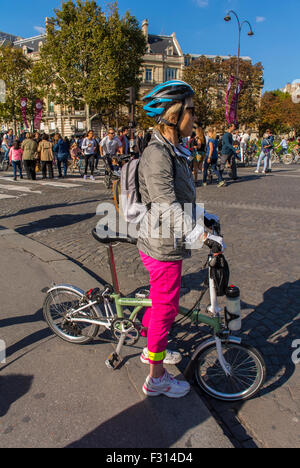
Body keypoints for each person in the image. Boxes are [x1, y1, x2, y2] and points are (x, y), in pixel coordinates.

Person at [138, 80, 224, 398]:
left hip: (169, 241)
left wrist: (204, 218)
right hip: (163, 246)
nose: (194, 117)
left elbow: (183, 197)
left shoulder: (176, 149)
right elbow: (165, 203)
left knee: (163, 306)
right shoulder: (157, 153)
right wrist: (199, 235)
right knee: (166, 309)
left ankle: (151, 347)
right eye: (190, 110)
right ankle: (156, 378)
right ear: (173, 114)